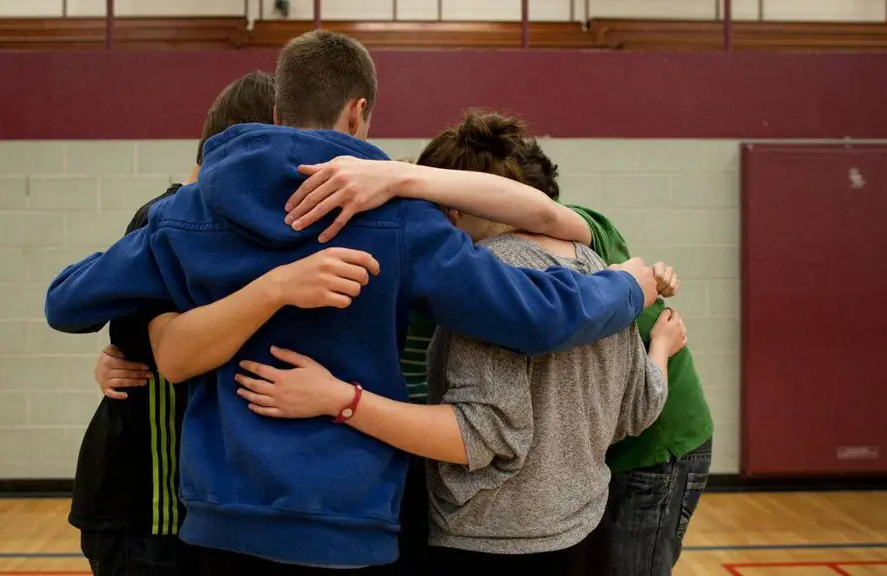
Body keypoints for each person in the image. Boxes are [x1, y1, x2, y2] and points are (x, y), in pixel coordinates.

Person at [45, 30, 658, 572]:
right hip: (350, 515)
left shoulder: (188, 212)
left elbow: (67, 302)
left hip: (220, 516)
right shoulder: (396, 219)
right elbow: (538, 317)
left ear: (279, 110)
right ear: (360, 112)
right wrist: (629, 284)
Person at [234, 111, 684, 574]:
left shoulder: (486, 281)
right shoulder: (607, 269)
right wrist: (661, 348)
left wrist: (340, 400)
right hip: (582, 526)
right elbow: (640, 407)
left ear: (449, 204)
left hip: (494, 537)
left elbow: (479, 435)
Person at [68, 71, 383, 576]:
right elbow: (149, 344)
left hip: (221, 501)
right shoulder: (168, 221)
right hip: (154, 505)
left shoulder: (269, 230)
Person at [517, 139, 714, 576]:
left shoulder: (583, 229)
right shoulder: (516, 260)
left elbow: (637, 408)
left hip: (657, 443)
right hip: (610, 450)